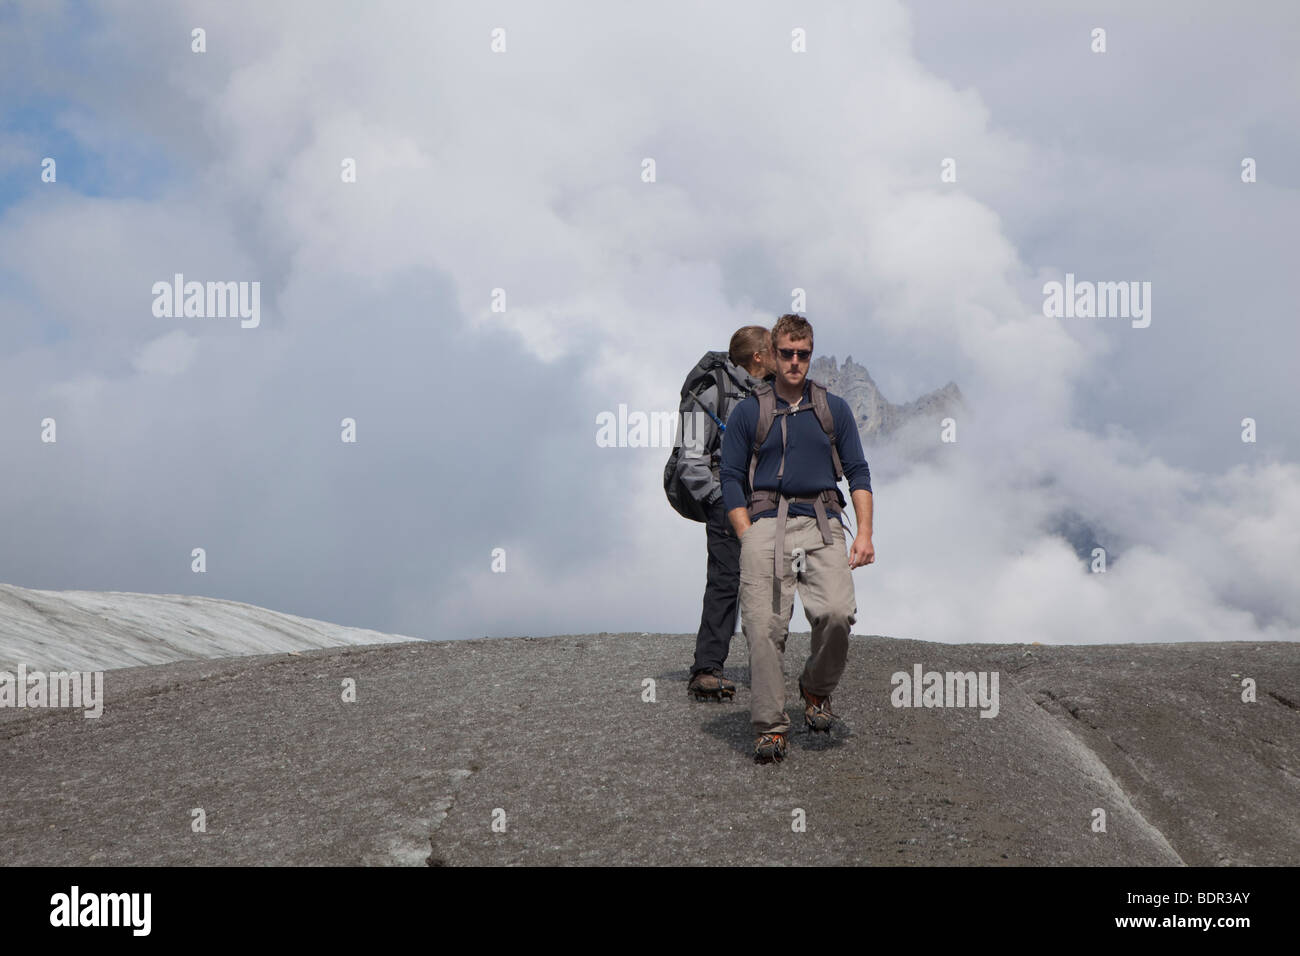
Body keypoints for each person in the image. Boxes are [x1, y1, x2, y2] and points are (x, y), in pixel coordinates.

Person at [719, 314, 875, 762]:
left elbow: (858, 472)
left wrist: (863, 533)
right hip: (766, 523)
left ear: (810, 354)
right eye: (785, 353)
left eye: (802, 354)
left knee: (837, 613)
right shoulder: (751, 410)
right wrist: (747, 533)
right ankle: (770, 726)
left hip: (823, 519)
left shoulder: (834, 408)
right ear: (771, 353)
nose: (793, 362)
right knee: (764, 626)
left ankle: (815, 688)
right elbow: (730, 477)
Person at [677, 326, 775, 701]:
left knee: (769, 582)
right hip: (726, 500)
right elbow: (690, 457)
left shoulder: (764, 392)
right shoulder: (710, 390)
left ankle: (763, 666)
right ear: (757, 358)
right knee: (725, 580)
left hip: (763, 501)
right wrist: (718, 499)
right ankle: (706, 669)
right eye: (773, 351)